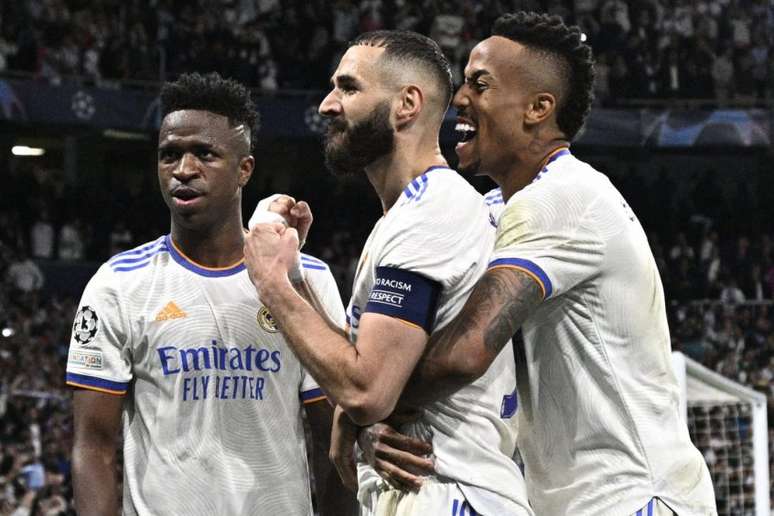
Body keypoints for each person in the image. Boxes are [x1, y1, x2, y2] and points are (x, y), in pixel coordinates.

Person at [349, 12, 717, 516]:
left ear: (538, 108)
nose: (460, 98)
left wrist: (367, 403)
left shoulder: (560, 198)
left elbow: (465, 353)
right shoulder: (502, 209)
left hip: (633, 499)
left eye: (481, 84)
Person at [244, 31, 533, 516]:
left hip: (450, 493)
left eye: (349, 88)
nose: (327, 105)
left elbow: (365, 389)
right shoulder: (416, 211)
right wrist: (293, 276)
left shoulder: (430, 212)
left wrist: (270, 282)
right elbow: (370, 368)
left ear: (407, 105)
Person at [65, 72, 354, 516]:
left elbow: (332, 439)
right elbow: (93, 448)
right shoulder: (116, 284)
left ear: (245, 169)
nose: (183, 170)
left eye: (204, 153)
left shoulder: (303, 279)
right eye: (169, 155)